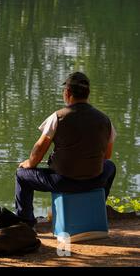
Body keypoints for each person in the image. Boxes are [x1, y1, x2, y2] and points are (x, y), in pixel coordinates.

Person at [15, 72, 116, 226]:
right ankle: (96, 206)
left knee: (22, 175)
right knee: (111, 167)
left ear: (68, 93)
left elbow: (38, 152)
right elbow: (106, 156)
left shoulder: (58, 117)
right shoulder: (105, 119)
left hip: (63, 181)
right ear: (87, 94)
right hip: (94, 180)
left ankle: (25, 222)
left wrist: (28, 163)